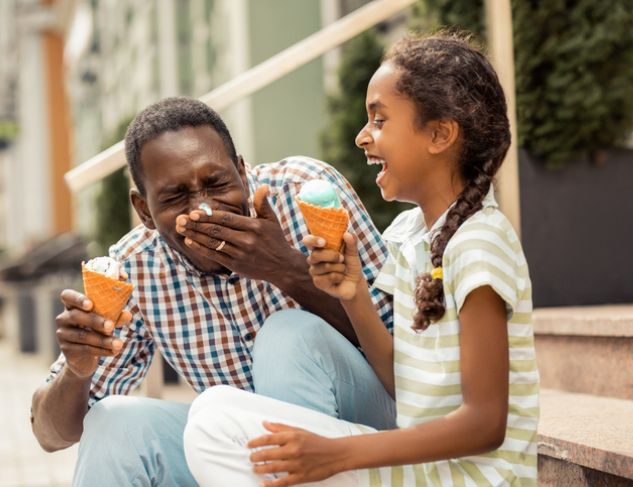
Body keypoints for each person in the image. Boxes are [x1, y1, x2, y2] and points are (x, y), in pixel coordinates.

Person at [183, 33, 540, 486]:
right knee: (212, 409)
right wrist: (353, 297)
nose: (361, 136)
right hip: (421, 471)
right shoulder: (410, 236)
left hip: (465, 479)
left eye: (379, 120)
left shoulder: (480, 244)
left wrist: (337, 455)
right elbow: (403, 385)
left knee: (216, 430)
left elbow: (485, 424)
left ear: (439, 134)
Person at [30, 97, 396, 486]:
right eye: (175, 197)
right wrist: (77, 369)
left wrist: (286, 270)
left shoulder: (303, 192)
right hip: (241, 455)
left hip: (366, 435)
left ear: (241, 170)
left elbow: (407, 351)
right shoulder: (135, 268)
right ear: (145, 211)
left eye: (216, 183)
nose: (202, 209)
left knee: (288, 335)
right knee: (114, 424)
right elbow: (50, 435)